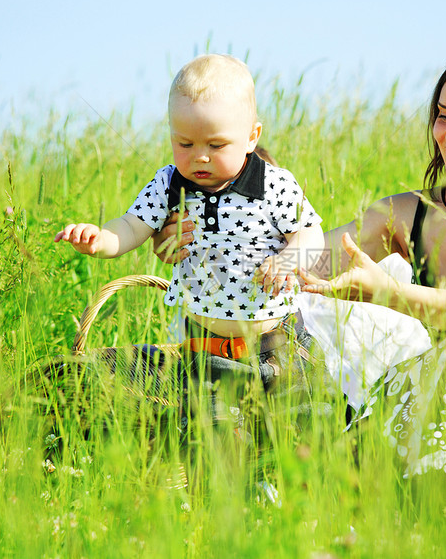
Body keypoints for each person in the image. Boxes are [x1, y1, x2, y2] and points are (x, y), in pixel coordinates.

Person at [153, 42, 446, 476]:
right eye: (443, 117)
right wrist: (206, 241)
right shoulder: (409, 213)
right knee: (364, 399)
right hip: (443, 407)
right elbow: (306, 259)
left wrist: (390, 294)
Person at [55, 54, 324, 397]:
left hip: (276, 341)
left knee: (302, 417)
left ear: (252, 136)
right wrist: (100, 238)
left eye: (216, 144)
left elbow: (310, 231)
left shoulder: (273, 184)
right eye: (185, 143)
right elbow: (131, 227)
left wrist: (291, 258)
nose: (200, 156)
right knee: (209, 434)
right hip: (203, 347)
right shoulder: (168, 185)